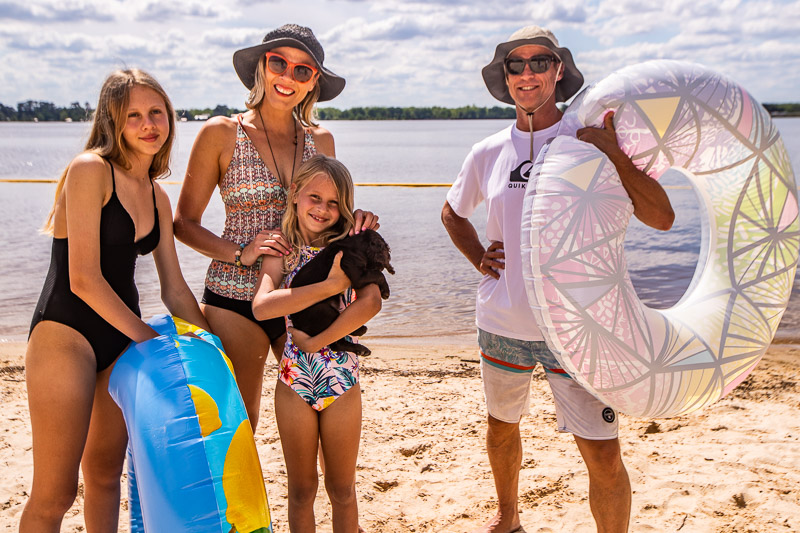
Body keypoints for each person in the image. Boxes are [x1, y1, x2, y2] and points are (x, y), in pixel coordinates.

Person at [441, 26, 675, 533]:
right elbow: (452, 213)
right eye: (516, 65)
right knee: (502, 428)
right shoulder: (487, 151)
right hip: (503, 323)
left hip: (581, 330)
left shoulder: (588, 140)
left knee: (604, 455)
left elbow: (661, 217)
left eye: (539, 62)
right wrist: (481, 256)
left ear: (559, 71)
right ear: (505, 79)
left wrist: (612, 152)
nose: (528, 73)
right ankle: (507, 517)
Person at [21, 69, 210, 532]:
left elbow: (174, 287)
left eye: (156, 113)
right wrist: (151, 341)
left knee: (106, 476)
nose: (149, 124)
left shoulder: (158, 196)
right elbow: (83, 279)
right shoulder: (90, 170)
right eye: (133, 116)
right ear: (112, 122)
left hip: (121, 339)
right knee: (56, 492)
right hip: (66, 336)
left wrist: (210, 349)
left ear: (170, 118)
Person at [174, 24, 378, 431]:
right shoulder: (221, 132)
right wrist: (240, 252)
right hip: (235, 295)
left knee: (318, 407)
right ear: (261, 68)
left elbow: (328, 215)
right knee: (239, 422)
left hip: (304, 293)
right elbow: (184, 223)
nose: (288, 77)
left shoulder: (323, 140)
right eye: (279, 63)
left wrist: (358, 219)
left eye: (303, 70)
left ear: (313, 81)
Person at [251, 154, 381, 532]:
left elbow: (370, 303)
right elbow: (262, 306)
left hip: (342, 379)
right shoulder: (281, 248)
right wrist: (330, 286)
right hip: (293, 380)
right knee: (301, 489)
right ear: (294, 194)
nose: (323, 209)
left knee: (342, 488)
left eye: (334, 202)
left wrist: (320, 340)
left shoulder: (350, 248)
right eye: (314, 198)